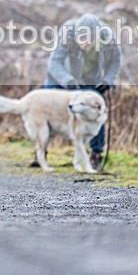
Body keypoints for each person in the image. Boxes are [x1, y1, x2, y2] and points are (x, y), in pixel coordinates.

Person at [43, 13, 122, 171]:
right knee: (47, 108)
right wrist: (68, 80)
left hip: (90, 78)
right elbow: (54, 63)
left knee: (97, 111)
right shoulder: (68, 33)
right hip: (62, 75)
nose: (84, 42)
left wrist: (107, 80)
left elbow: (116, 61)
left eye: (88, 39)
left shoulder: (108, 37)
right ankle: (40, 152)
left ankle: (96, 155)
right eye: (81, 39)